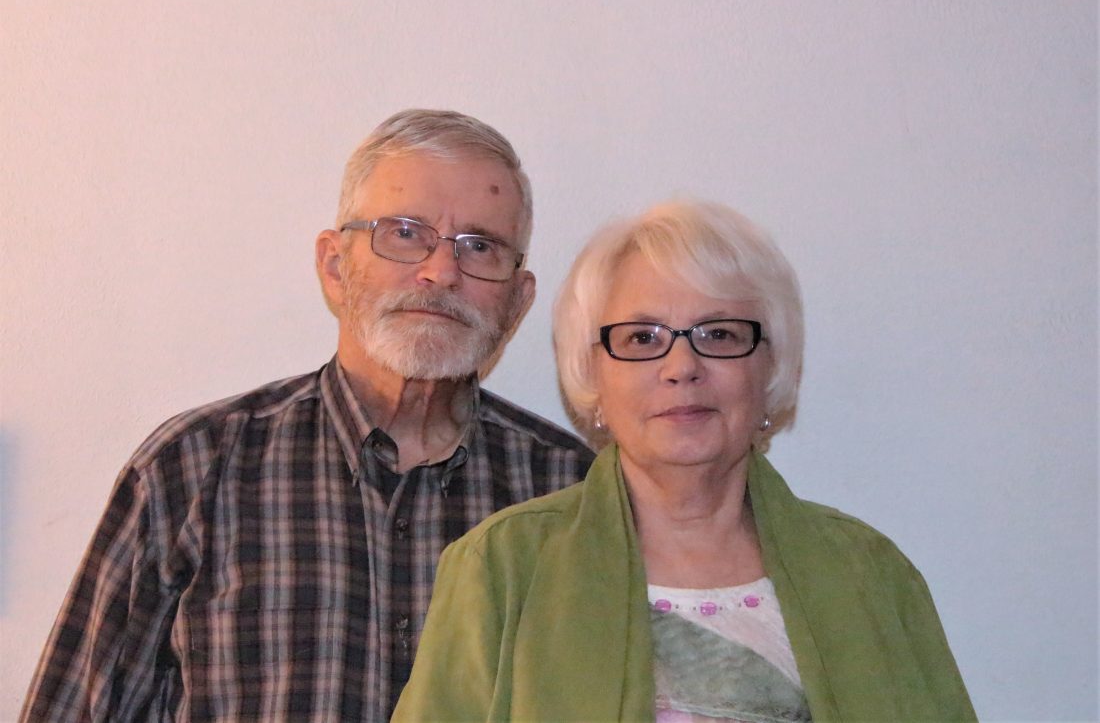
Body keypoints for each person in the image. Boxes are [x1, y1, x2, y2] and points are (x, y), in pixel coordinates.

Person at [21, 109, 594, 722]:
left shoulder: (574, 495)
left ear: (518, 299)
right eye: (405, 233)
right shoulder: (192, 469)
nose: (440, 271)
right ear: (335, 265)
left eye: (479, 246)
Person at [393, 200, 976, 722]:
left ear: (772, 368)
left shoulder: (871, 575)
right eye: (642, 338)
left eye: (719, 335)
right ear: (593, 376)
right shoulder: (502, 569)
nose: (682, 368)